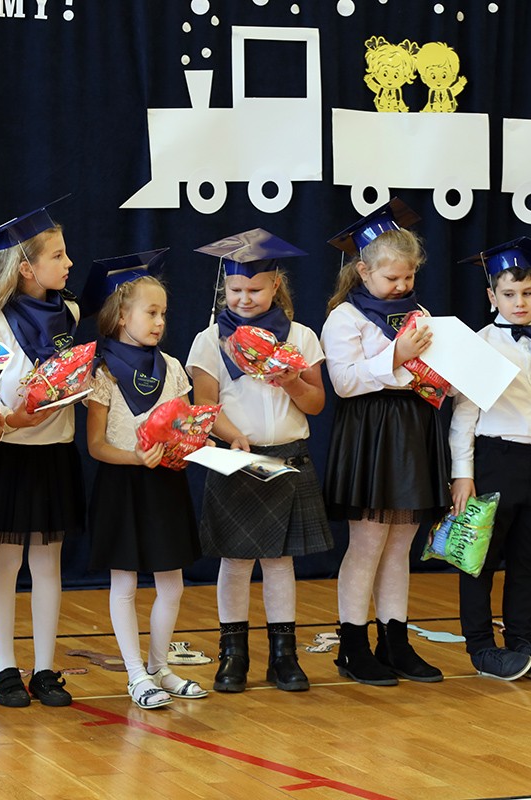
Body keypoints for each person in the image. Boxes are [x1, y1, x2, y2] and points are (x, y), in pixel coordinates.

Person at [187, 229, 330, 693]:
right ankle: (233, 655)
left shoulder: (301, 337)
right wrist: (233, 436)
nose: (244, 299)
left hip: (288, 457)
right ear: (224, 288)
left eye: (254, 289)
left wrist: (291, 381)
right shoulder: (209, 340)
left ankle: (284, 656)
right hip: (237, 459)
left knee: (280, 561)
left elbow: (315, 404)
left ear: (275, 286)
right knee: (235, 560)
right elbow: (204, 405)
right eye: (236, 290)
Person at [320, 198, 447, 685]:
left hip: (413, 426)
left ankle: (395, 642)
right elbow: (345, 383)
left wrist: (444, 374)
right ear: (363, 271)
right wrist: (398, 355)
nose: (401, 286)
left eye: (408, 277)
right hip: (370, 431)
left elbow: (430, 373)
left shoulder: (419, 313)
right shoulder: (344, 317)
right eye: (392, 277)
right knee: (368, 542)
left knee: (400, 544)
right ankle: (352, 645)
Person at [0, 204, 80, 708]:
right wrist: (13, 417)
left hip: (55, 452)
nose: (69, 263)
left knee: (49, 561)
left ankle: (46, 669)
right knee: (7, 559)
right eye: (58, 255)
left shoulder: (71, 314)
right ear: (27, 268)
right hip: (10, 453)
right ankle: (4, 666)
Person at [449, 238, 531, 681]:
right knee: (480, 559)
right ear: (492, 296)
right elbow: (464, 416)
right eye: (508, 294)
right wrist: (463, 474)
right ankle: (481, 647)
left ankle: (521, 641)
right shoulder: (480, 345)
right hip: (495, 460)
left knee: (527, 560)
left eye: (527, 293)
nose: (518, 302)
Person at [81, 252, 205, 709]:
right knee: (126, 585)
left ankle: (159, 667)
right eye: (151, 313)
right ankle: (135, 675)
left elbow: (186, 427)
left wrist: (193, 442)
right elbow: (96, 445)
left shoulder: (172, 367)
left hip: (166, 484)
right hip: (123, 485)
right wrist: (135, 457)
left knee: (172, 584)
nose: (160, 323)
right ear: (121, 315)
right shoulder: (103, 372)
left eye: (163, 314)